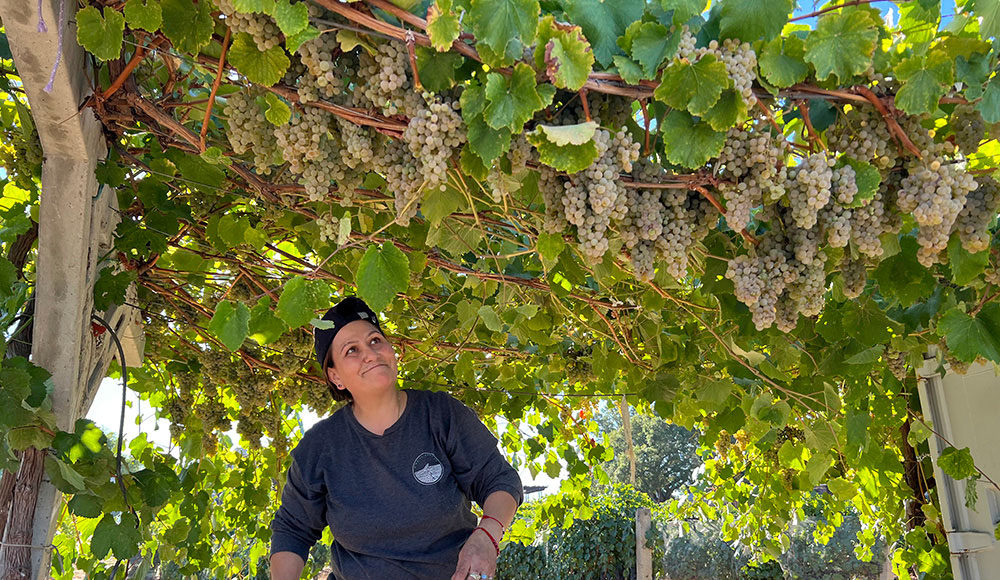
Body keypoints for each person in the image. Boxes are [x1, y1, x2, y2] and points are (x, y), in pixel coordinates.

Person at [269, 296, 522, 580]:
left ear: (392, 351)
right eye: (351, 350)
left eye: (375, 340)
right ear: (335, 376)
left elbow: (500, 481)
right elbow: (292, 530)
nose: (369, 353)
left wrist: (487, 535)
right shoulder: (320, 447)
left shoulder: (441, 415)